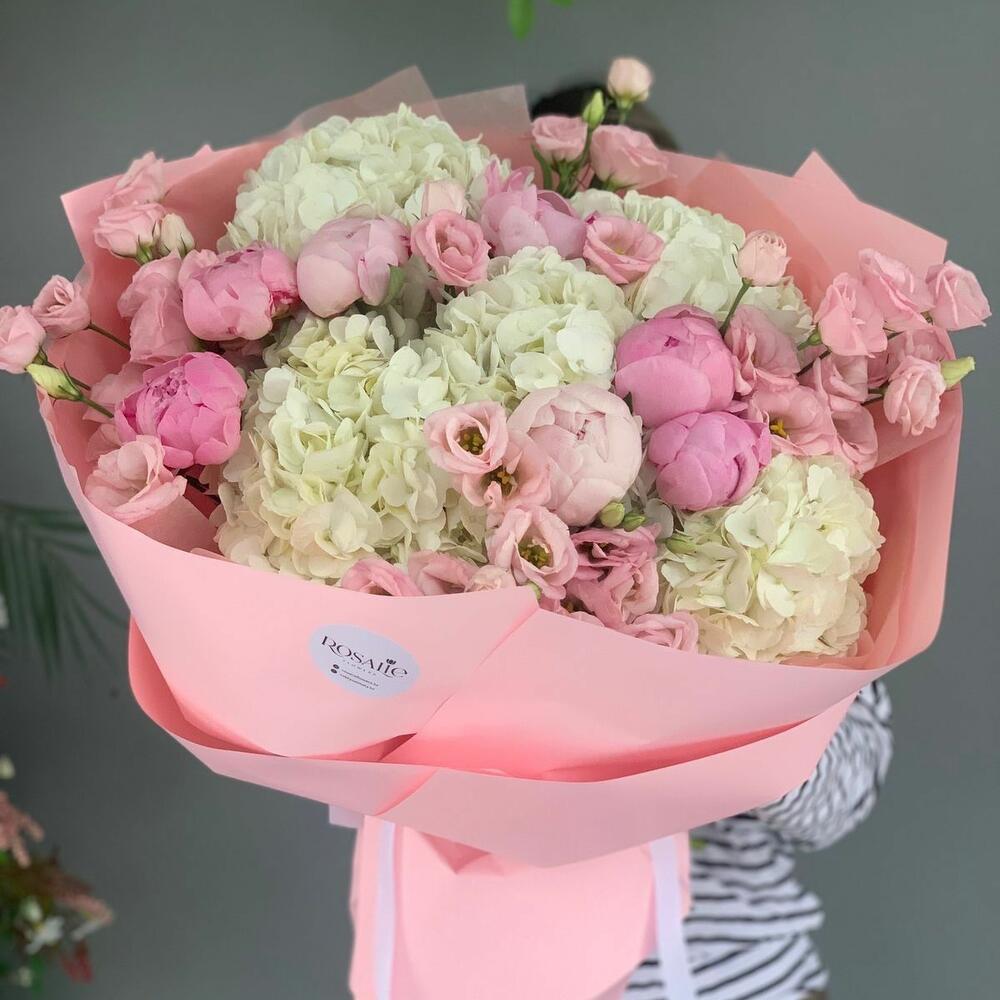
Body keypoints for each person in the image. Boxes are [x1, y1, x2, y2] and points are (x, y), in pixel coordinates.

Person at [531, 85, 895, 999]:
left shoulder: (779, 470)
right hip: (484, 958)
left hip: (740, 978)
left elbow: (839, 799)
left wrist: (697, 691)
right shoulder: (449, 481)